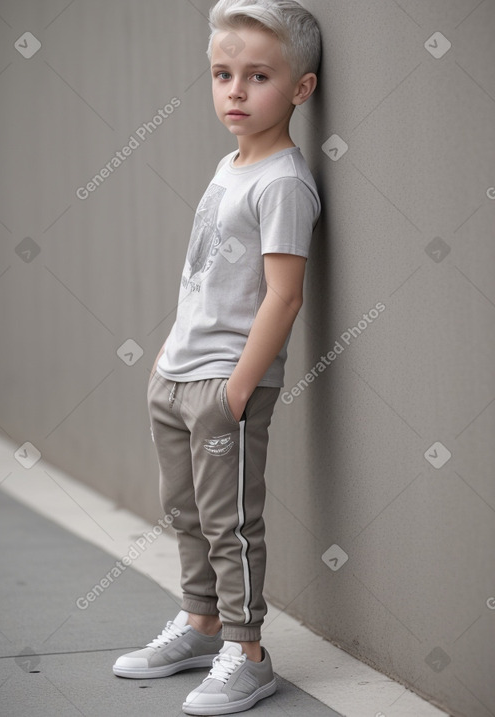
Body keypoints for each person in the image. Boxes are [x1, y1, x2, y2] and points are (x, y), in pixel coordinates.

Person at [113, 0, 322, 713]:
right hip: (179, 373)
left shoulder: (285, 182)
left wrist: (237, 387)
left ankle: (248, 650)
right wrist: (168, 353)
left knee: (230, 522)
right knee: (187, 511)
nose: (235, 91)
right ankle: (202, 624)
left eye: (257, 76)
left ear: (300, 89)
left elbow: (283, 296)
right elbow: (205, 272)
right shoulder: (229, 166)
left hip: (226, 383)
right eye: (222, 74)